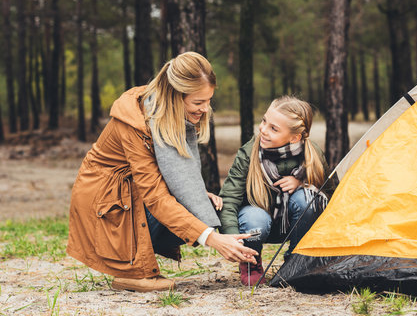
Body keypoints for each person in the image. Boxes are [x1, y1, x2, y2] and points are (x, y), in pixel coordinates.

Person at [67, 52, 257, 293]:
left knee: (197, 204)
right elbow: (155, 196)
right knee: (185, 210)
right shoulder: (135, 123)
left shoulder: (167, 114)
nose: (206, 109)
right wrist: (213, 239)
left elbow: (168, 174)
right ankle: (132, 273)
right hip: (106, 206)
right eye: (198, 102)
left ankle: (134, 264)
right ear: (175, 95)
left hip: (127, 195)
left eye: (209, 100)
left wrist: (195, 195)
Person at [218, 96, 334, 286]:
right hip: (256, 225)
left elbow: (330, 196)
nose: (263, 130)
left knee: (307, 198)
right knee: (255, 218)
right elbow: (229, 198)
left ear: (295, 137)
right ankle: (251, 263)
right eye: (264, 121)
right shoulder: (250, 152)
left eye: (274, 128)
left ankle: (295, 262)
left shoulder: (312, 154)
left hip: (294, 225)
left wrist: (302, 182)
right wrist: (231, 237)